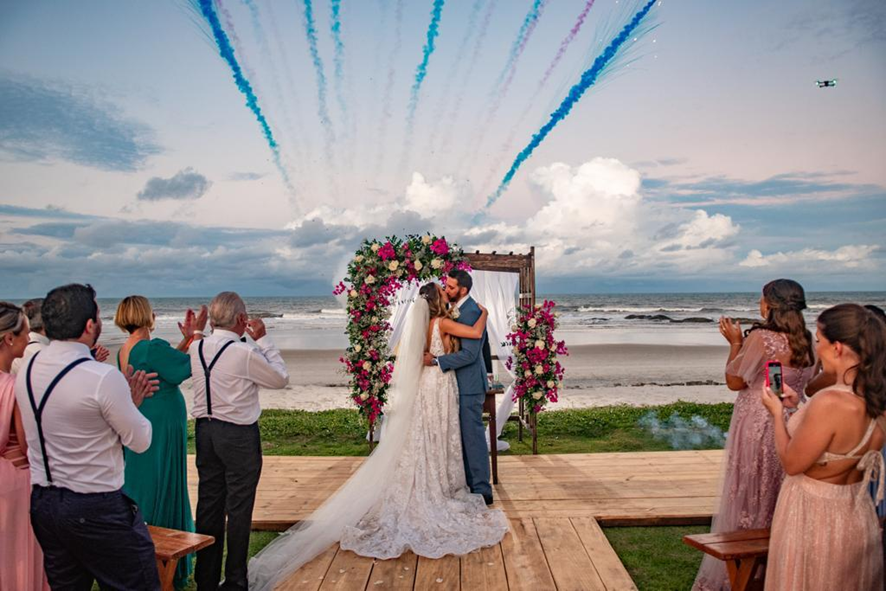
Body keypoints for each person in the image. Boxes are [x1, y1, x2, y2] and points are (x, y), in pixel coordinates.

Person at [247, 282, 508, 591]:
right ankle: (440, 484)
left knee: (426, 433)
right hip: (438, 384)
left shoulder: (424, 323)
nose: (445, 292)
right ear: (436, 299)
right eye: (442, 290)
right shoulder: (443, 322)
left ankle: (430, 479)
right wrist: (485, 314)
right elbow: (476, 335)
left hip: (428, 384)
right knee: (437, 432)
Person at [14, 284, 161, 590]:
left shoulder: (27, 368)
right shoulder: (100, 377)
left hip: (44, 503)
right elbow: (140, 440)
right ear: (90, 325)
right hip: (96, 507)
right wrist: (132, 404)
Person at [693, 279, 816, 590]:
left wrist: (734, 342)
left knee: (750, 487)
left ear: (769, 304)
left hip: (758, 420)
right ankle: (774, 563)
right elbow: (790, 382)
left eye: (761, 298)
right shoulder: (807, 339)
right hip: (791, 419)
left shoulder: (761, 338)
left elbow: (735, 382)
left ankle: (745, 568)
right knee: (776, 488)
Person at [761, 303, 886, 590]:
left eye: (819, 340)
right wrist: (798, 409)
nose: (816, 347)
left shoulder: (830, 401)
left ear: (838, 347)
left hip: (814, 516)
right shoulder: (876, 398)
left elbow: (792, 464)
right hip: (855, 513)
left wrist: (778, 414)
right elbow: (836, 443)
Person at [191, 291, 289, 590]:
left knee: (208, 506)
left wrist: (196, 329)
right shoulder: (244, 352)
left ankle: (205, 579)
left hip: (205, 432)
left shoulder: (197, 348)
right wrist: (263, 340)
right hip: (238, 435)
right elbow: (280, 378)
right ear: (241, 319)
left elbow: (197, 339)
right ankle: (235, 580)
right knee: (238, 508)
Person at [115, 295, 208, 589]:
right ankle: (163, 557)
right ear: (148, 316)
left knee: (143, 479)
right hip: (163, 425)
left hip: (143, 418)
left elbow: (166, 366)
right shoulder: (152, 347)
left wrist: (184, 342)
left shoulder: (125, 350)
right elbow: (185, 368)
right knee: (164, 481)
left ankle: (137, 551)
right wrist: (197, 335)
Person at [426, 269, 494, 504]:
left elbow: (470, 354)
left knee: (473, 437)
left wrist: (437, 361)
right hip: (457, 384)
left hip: (469, 385)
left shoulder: (472, 311)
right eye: (445, 286)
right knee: (460, 437)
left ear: (463, 290)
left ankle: (482, 490)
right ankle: (467, 483)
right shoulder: (459, 310)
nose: (447, 290)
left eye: (451, 287)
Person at [0, 302, 49, 590]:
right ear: (9, 338)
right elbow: (31, 446)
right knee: (17, 555)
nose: (28, 339)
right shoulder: (14, 387)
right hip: (15, 482)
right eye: (25, 333)